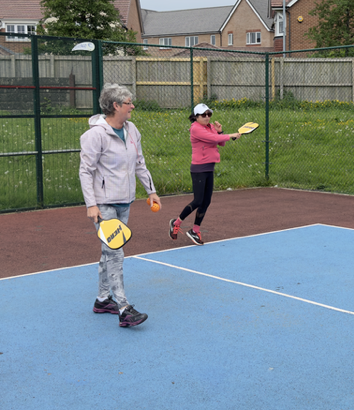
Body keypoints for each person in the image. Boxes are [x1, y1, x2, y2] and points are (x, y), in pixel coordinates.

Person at [79, 83, 160, 328]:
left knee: (109, 252)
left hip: (125, 201)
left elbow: (140, 162)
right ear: (116, 105)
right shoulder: (94, 135)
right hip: (103, 204)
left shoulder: (132, 129)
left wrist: (151, 190)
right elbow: (86, 171)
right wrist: (91, 205)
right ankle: (124, 308)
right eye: (128, 102)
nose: (132, 106)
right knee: (115, 252)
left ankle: (103, 299)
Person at [170, 103, 240, 245]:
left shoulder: (211, 127)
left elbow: (220, 143)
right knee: (198, 201)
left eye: (209, 114)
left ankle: (195, 231)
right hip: (199, 169)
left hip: (209, 167)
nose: (207, 117)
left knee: (206, 202)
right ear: (196, 117)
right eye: (203, 115)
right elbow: (213, 139)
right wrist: (229, 135)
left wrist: (220, 132)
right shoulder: (195, 129)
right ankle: (176, 223)